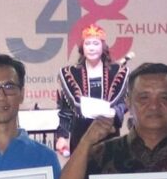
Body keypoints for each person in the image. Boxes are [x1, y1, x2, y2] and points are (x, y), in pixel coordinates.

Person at [55, 18, 130, 156]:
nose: (91, 48)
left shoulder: (117, 72)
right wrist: (62, 136)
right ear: (82, 48)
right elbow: (66, 110)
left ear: (103, 47)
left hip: (108, 134)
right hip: (80, 135)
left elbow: (126, 102)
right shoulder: (71, 73)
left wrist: (114, 112)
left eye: (96, 43)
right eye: (87, 43)